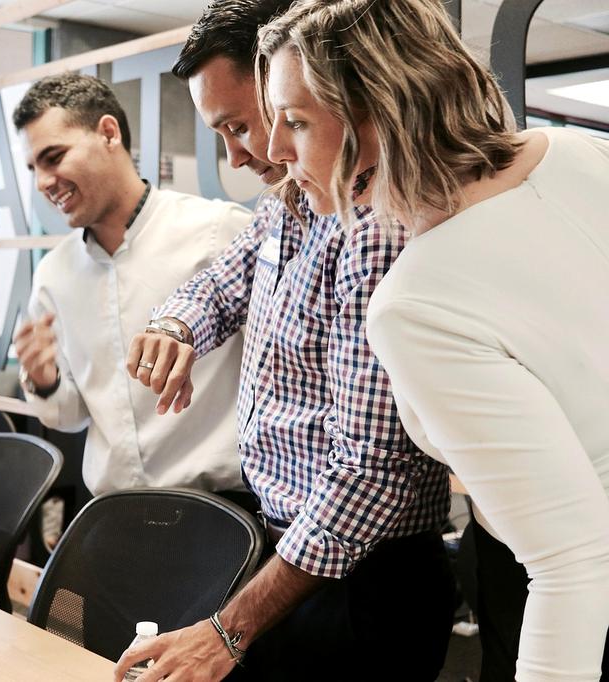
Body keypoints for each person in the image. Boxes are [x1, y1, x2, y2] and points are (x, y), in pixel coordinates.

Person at [251, 1, 609, 680]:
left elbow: (573, 562)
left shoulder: (416, 303)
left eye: (295, 121)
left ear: (381, 110)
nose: (273, 151)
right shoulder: (582, 151)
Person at [115, 1, 455, 680]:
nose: (250, 154)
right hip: (292, 555)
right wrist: (174, 327)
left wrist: (228, 631)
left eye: (246, 125)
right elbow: (218, 286)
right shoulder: (290, 207)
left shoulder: (375, 227)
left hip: (361, 579)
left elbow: (369, 472)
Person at [11, 73, 254, 501]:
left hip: (225, 505)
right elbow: (70, 415)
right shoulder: (54, 274)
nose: (43, 183)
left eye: (54, 157)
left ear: (109, 133)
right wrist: (45, 380)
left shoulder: (219, 232)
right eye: (34, 169)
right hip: (114, 510)